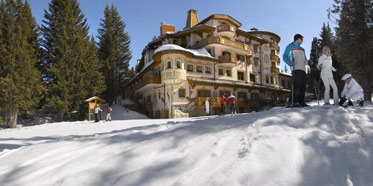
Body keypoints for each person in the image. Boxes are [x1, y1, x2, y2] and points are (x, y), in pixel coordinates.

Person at [283, 34, 308, 107]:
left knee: (303, 86)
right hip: (296, 68)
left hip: (303, 69)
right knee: (296, 85)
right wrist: (289, 63)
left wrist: (308, 62)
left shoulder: (302, 49)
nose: (302, 41)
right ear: (298, 39)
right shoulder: (290, 46)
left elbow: (305, 59)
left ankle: (301, 101)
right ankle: (293, 101)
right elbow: (284, 56)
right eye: (302, 39)